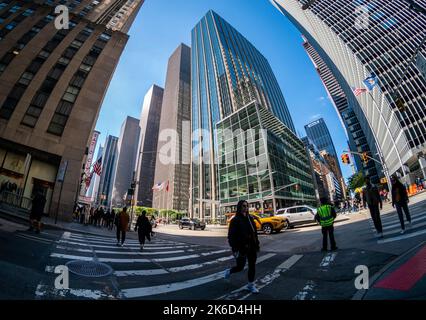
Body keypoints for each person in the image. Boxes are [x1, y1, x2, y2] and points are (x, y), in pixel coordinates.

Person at [224, 200, 260, 294]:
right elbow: (231, 237)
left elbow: (254, 233)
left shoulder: (250, 218)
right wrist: (235, 249)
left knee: (252, 266)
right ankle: (229, 271)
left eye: (247, 206)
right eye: (244, 206)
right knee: (240, 267)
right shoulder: (235, 220)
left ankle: (250, 285)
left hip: (252, 246)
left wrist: (257, 244)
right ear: (239, 207)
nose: (246, 208)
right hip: (241, 248)